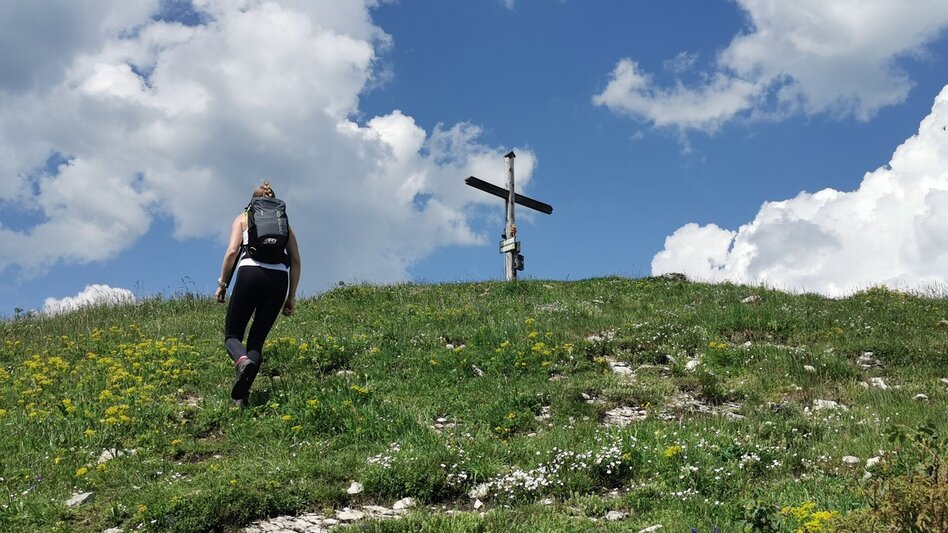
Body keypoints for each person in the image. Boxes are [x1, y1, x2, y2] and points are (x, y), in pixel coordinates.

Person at [214, 181, 301, 407]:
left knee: (232, 336)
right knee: (256, 342)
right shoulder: (285, 224)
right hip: (279, 279)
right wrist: (291, 296)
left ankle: (241, 360)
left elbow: (232, 251)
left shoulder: (243, 217)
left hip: (250, 273)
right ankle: (241, 398)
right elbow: (295, 260)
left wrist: (222, 284)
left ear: (252, 201)